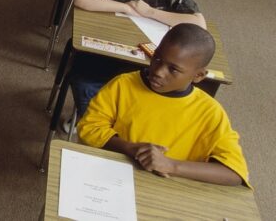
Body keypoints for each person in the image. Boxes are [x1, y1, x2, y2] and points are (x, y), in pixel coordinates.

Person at [77, 24, 251, 188]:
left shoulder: (210, 112)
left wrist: (171, 165)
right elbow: (89, 128)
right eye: (157, 58)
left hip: (169, 190)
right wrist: (130, 148)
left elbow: (234, 173)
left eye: (173, 69)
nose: (158, 72)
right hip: (114, 177)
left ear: (198, 75)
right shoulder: (123, 85)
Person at [69, 0, 205, 117]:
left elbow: (199, 23)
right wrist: (126, 7)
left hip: (145, 63)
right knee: (84, 82)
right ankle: (92, 119)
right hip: (108, 51)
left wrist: (150, 12)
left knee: (148, 95)